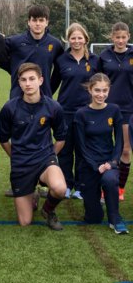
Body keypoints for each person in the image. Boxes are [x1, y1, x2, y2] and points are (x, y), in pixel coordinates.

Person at [0, 63, 67, 230]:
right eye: (23, 80)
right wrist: (15, 157)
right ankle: (33, 194)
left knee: (60, 188)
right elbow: (4, 139)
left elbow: (61, 138)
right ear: (19, 83)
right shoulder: (10, 108)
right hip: (21, 163)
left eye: (32, 79)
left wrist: (50, 156)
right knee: (25, 222)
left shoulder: (53, 107)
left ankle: (48, 210)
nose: (28, 83)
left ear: (41, 80)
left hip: (44, 159)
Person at [74, 73, 128, 234]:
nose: (101, 94)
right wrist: (95, 166)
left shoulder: (114, 110)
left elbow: (119, 141)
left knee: (110, 179)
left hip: (107, 162)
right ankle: (97, 201)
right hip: (88, 166)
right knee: (94, 218)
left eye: (105, 90)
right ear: (90, 90)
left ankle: (115, 219)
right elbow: (80, 147)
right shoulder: (81, 114)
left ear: (109, 91)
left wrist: (112, 163)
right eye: (97, 90)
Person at [51, 23, 99, 199]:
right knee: (65, 150)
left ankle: (80, 186)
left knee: (82, 150)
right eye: (73, 38)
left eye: (80, 37)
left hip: (87, 112)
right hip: (65, 111)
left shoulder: (94, 60)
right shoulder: (62, 59)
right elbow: (53, 84)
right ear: (68, 39)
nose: (76, 41)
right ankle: (67, 185)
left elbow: (101, 84)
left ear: (85, 39)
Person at [99, 22, 133, 201]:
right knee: (107, 149)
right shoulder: (104, 56)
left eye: (123, 37)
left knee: (125, 151)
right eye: (117, 37)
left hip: (128, 109)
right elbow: (97, 82)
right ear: (112, 37)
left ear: (128, 37)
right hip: (106, 109)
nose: (120, 40)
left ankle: (119, 188)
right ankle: (106, 187)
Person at [5, 4, 63, 99]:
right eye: (34, 20)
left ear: (47, 22)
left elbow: (59, 70)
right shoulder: (14, 42)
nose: (38, 24)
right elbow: (0, 57)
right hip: (18, 97)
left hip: (44, 97)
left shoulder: (55, 44)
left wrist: (49, 89)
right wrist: (14, 69)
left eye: (41, 20)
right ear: (28, 22)